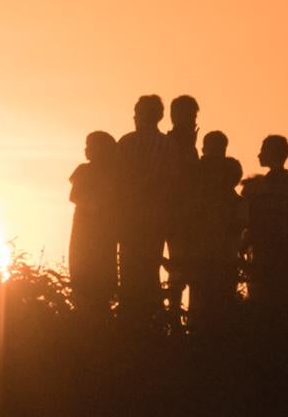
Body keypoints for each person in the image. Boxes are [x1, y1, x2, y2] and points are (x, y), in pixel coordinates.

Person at [239, 134, 288, 340]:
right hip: (278, 258)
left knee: (266, 309)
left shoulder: (256, 188)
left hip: (269, 258)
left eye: (264, 149)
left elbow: (246, 224)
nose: (260, 154)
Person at [180, 130, 245, 332]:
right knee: (215, 304)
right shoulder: (204, 178)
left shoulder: (198, 175)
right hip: (215, 255)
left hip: (208, 254)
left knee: (202, 304)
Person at [115, 94, 172, 317]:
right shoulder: (167, 145)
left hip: (130, 217)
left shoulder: (126, 143)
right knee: (150, 270)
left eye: (137, 111)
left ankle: (131, 320)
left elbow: (116, 180)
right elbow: (171, 181)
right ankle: (152, 319)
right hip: (155, 218)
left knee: (129, 272)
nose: (134, 116)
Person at [67, 130, 119, 318]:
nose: (86, 150)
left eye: (90, 146)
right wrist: (95, 206)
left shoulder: (109, 174)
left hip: (97, 231)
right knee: (84, 270)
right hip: (87, 228)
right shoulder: (86, 170)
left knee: (96, 272)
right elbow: (74, 196)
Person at [163, 94, 200, 316]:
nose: (194, 120)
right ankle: (174, 315)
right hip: (176, 214)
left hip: (187, 214)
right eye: (191, 115)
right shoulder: (172, 144)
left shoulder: (187, 144)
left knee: (183, 266)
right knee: (178, 266)